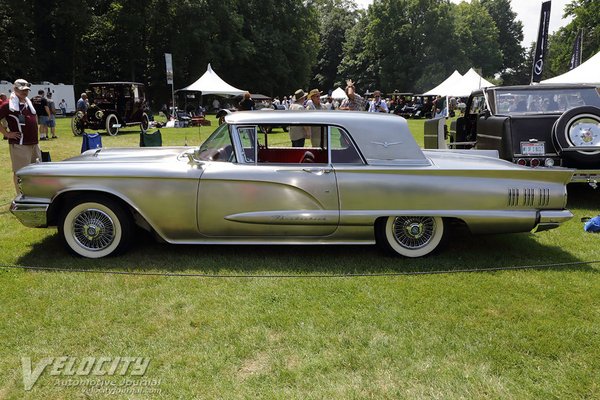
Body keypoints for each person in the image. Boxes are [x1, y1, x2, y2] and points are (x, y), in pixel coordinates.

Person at [0, 79, 41, 193]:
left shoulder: (28, 102)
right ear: (15, 89)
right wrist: (7, 134)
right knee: (21, 172)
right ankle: (21, 196)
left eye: (27, 90)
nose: (25, 92)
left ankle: (34, 193)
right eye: (22, 90)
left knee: (37, 171)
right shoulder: (8, 104)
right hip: (20, 145)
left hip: (34, 143)